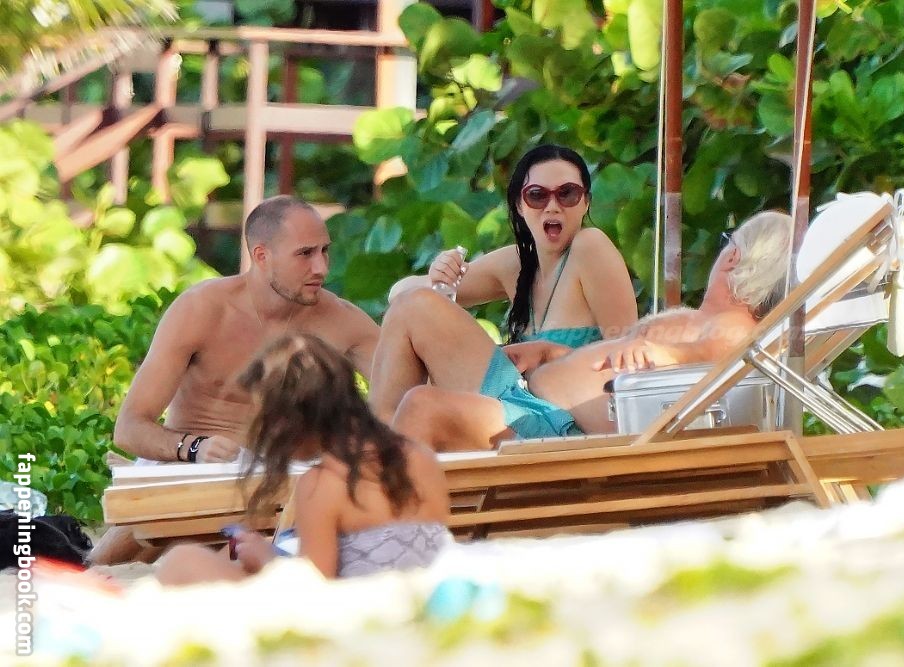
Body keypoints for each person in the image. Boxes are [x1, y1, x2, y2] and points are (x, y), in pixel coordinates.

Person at [90, 196, 381, 565]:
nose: (321, 267)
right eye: (305, 254)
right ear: (261, 256)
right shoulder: (203, 309)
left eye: (325, 251)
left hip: (285, 484)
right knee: (172, 501)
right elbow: (129, 428)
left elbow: (401, 394)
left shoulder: (342, 321)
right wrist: (194, 448)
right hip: (192, 468)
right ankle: (89, 569)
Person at [374, 211, 792, 449]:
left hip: (547, 427)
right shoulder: (701, 321)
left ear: (735, 257)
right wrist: (552, 353)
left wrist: (665, 355)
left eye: (727, 242)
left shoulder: (735, 327)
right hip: (528, 394)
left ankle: (374, 511)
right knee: (415, 306)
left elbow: (720, 357)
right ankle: (368, 468)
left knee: (421, 406)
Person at [371, 145, 637, 428]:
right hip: (516, 407)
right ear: (520, 206)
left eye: (567, 193)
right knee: (400, 309)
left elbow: (631, 359)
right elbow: (401, 295)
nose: (552, 205)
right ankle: (382, 436)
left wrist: (553, 354)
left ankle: (379, 441)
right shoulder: (516, 263)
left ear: (585, 202)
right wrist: (440, 273)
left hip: (565, 423)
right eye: (537, 195)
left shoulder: (591, 246)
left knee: (415, 322)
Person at [156, 334, 450, 586]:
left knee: (183, 561)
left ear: (292, 421)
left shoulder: (323, 484)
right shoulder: (419, 457)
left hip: (357, 613)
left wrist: (268, 560)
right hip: (416, 600)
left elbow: (313, 590)